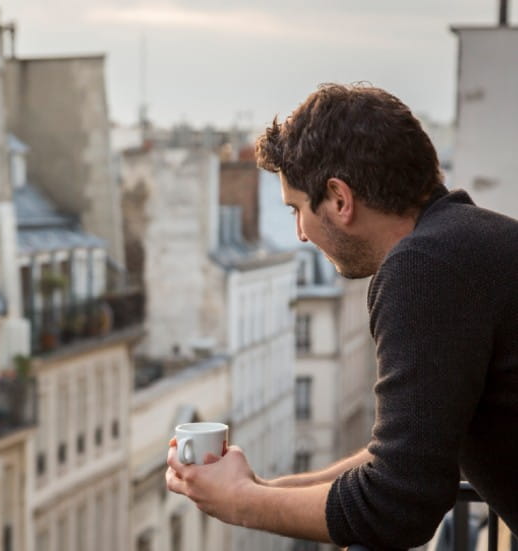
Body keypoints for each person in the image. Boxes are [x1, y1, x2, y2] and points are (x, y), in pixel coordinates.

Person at [165, 83, 518, 550]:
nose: (300, 235)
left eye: (297, 210)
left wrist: (242, 504)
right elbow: (406, 455)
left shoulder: (425, 268)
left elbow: (398, 503)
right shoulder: (471, 241)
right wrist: (264, 490)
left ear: (338, 198)